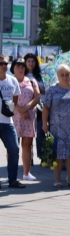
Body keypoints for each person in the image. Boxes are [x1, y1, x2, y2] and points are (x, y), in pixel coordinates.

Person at [42, 64, 70, 188]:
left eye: (67, 74)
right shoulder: (52, 90)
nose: (65, 77)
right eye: (62, 75)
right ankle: (57, 179)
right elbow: (46, 108)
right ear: (58, 76)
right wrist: (45, 123)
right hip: (57, 127)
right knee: (59, 154)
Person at [11, 59, 39, 181]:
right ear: (13, 68)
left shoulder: (32, 81)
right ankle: (11, 174)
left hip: (29, 116)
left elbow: (37, 97)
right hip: (14, 117)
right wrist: (19, 109)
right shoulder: (9, 81)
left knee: (27, 146)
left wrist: (27, 108)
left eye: (22, 66)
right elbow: (6, 99)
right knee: (12, 146)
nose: (21, 68)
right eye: (18, 66)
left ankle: (26, 173)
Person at [0, 55, 25, 188]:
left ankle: (13, 180)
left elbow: (16, 98)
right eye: (2, 63)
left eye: (6, 63)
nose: (5, 65)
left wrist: (9, 109)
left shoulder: (12, 80)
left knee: (14, 149)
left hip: (7, 122)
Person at [23, 53, 46, 162]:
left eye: (33, 61)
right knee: (28, 134)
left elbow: (47, 91)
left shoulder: (41, 76)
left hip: (40, 107)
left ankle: (42, 157)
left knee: (40, 133)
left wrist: (40, 90)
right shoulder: (22, 75)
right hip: (27, 107)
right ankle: (29, 157)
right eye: (29, 61)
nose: (31, 63)